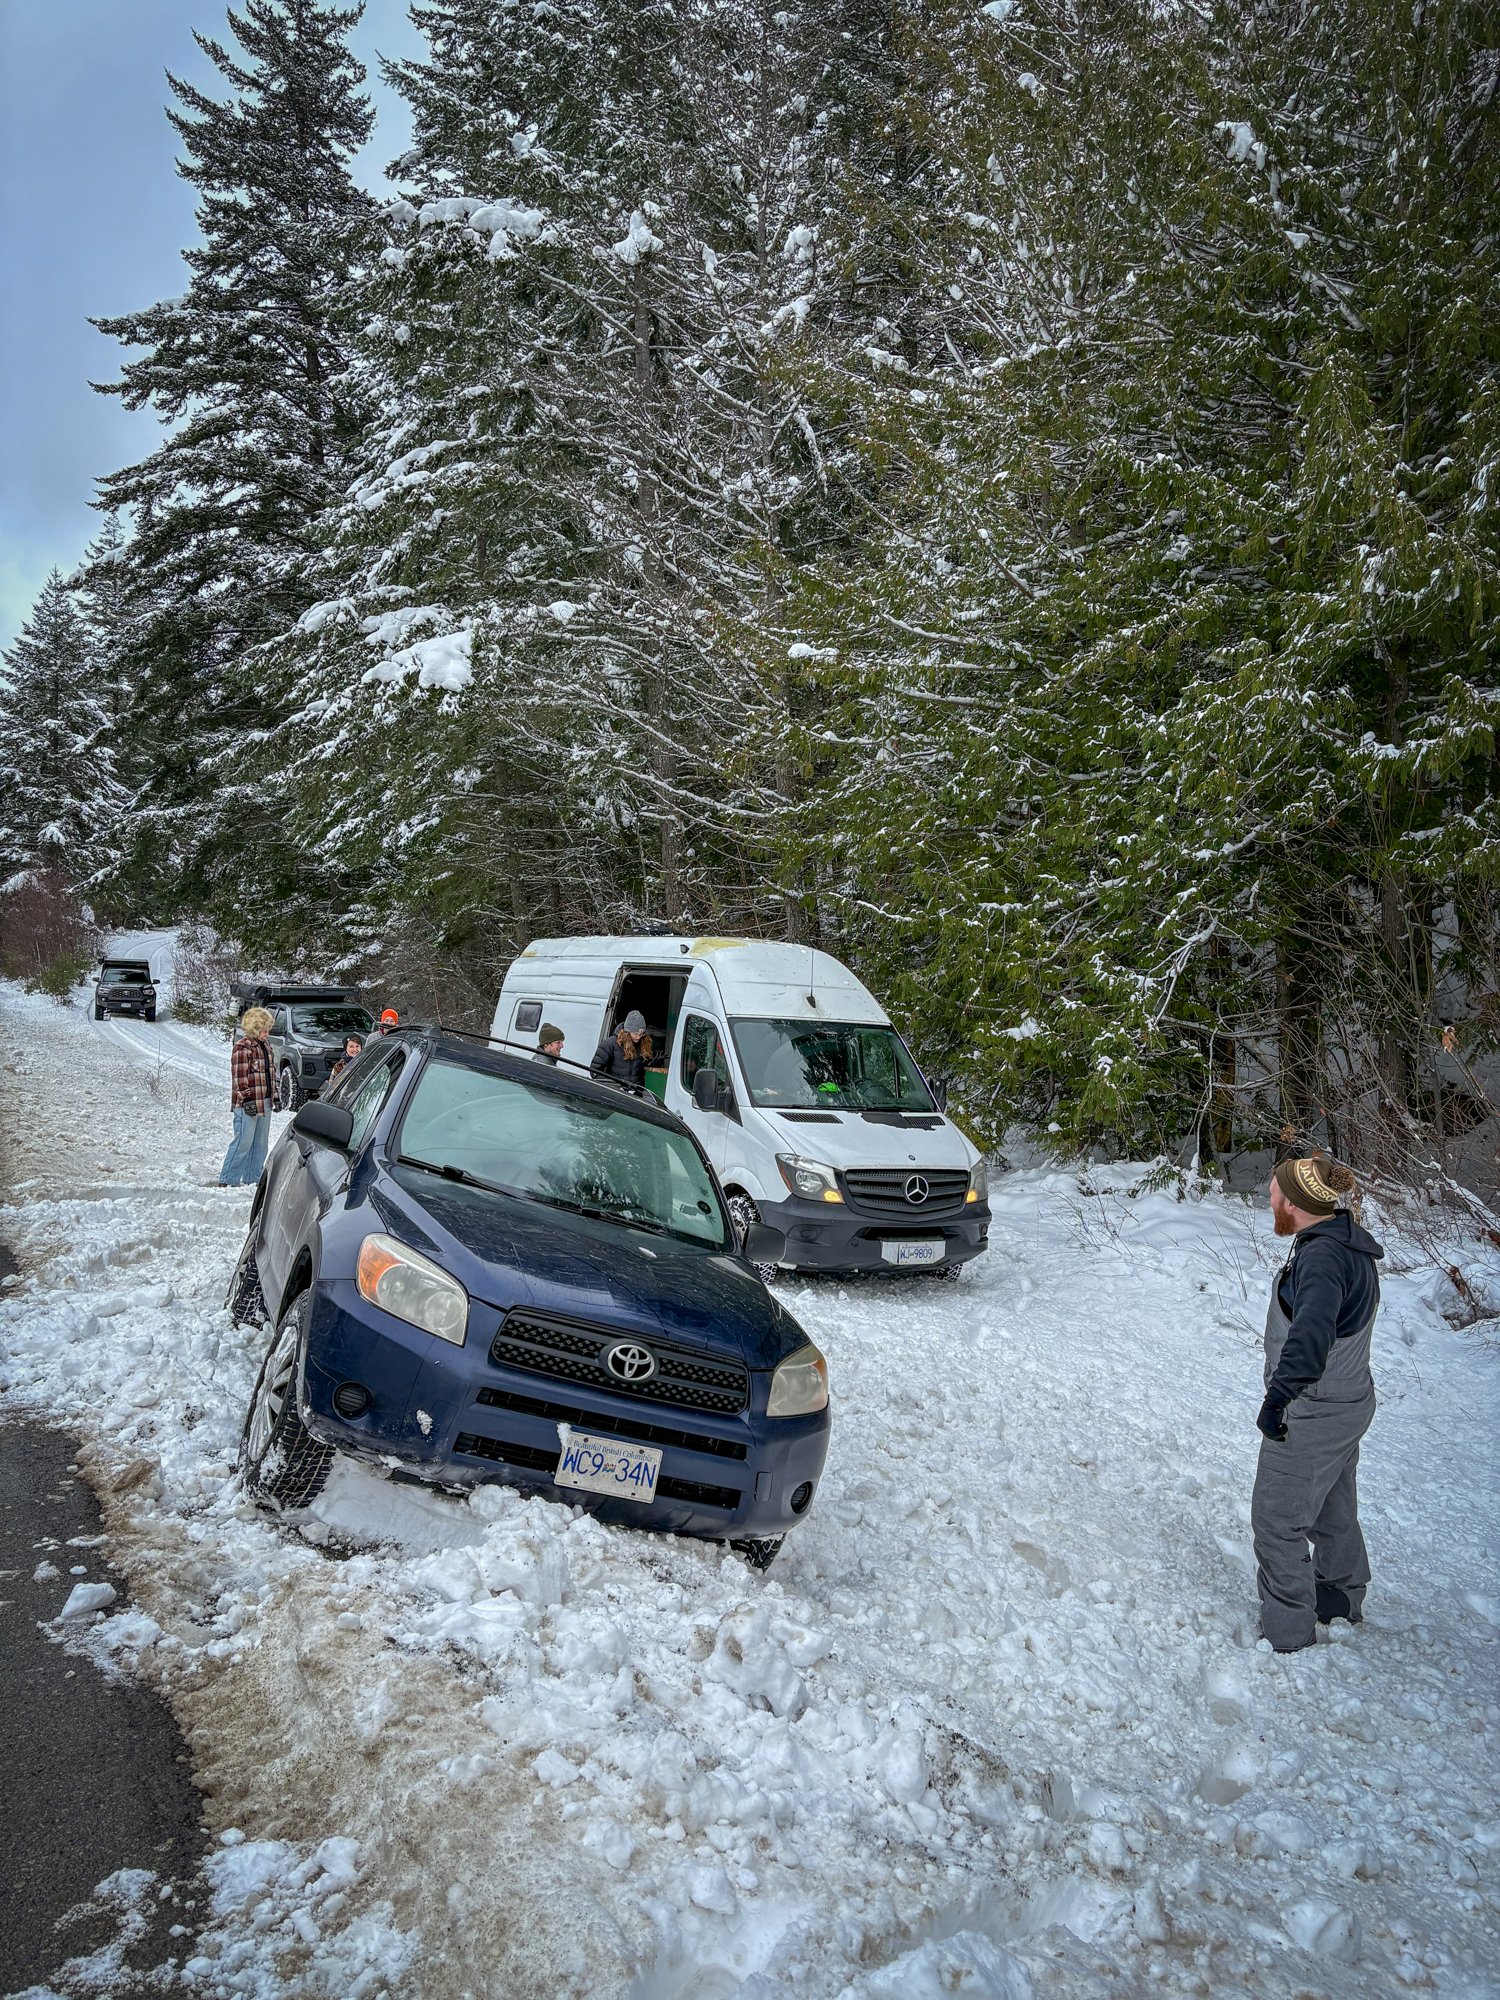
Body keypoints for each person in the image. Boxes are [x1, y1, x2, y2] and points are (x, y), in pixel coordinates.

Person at [1252, 1152, 1383, 1654]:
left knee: (1276, 1519)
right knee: (1331, 1502)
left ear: (1295, 1201)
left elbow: (1310, 1336)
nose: (1269, 1198)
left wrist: (1279, 1399)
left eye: (1274, 1192)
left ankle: (1288, 1633)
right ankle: (1341, 1595)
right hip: (1349, 1400)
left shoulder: (1323, 1259)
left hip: (1312, 1407)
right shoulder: (1343, 1243)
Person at [220, 1007, 276, 1187]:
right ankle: (228, 1179)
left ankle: (253, 1179)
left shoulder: (266, 1046)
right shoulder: (242, 1047)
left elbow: (270, 1074)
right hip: (247, 1104)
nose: (267, 1034)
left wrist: (275, 1096)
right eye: (264, 1030)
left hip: (264, 1102)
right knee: (243, 1141)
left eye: (268, 1030)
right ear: (254, 1028)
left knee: (260, 1143)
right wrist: (247, 1099)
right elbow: (239, 1078)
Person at [590, 1009, 652, 1091]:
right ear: (627, 1032)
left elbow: (640, 1073)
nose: (638, 1037)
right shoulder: (610, 1044)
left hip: (635, 1093)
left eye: (641, 1034)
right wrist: (614, 1086)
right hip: (615, 1092)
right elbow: (594, 1072)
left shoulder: (643, 1044)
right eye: (635, 1034)